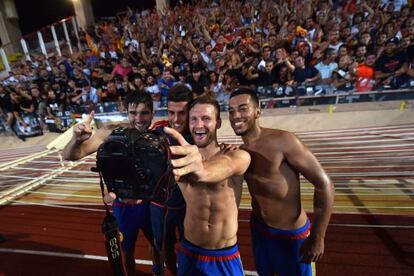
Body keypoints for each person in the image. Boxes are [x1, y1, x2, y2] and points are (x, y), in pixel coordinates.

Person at [228, 87, 335, 276]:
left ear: (258, 111)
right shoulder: (240, 151)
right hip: (260, 232)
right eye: (231, 110)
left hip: (292, 236)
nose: (236, 115)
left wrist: (318, 237)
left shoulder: (284, 140)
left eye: (243, 108)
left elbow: (324, 184)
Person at [62, 91, 156, 276]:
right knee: (126, 250)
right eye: (133, 113)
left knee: (158, 245)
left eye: (144, 113)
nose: (138, 118)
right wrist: (76, 139)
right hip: (125, 205)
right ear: (126, 112)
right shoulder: (111, 132)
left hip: (153, 204)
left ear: (152, 113)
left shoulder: (157, 134)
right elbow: (70, 155)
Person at [164, 96, 251, 275]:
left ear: (218, 123)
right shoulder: (179, 159)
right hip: (189, 250)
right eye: (194, 119)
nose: (199, 124)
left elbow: (227, 165)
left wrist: (200, 169)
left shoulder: (237, 155)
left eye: (206, 118)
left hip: (225, 255)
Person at [149, 84, 194, 275]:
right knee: (161, 245)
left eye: (182, 113)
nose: (176, 119)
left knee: (190, 246)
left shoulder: (199, 131)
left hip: (188, 205)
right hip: (160, 204)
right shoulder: (158, 130)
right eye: (171, 112)